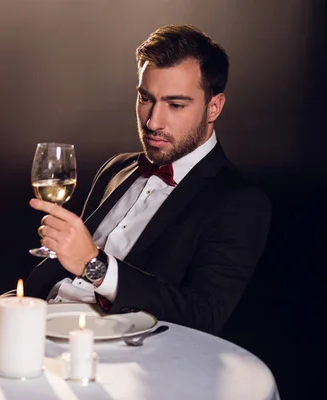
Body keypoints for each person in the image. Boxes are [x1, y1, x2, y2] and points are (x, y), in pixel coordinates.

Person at [25, 24, 271, 335]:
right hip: (35, 320)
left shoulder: (239, 201)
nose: (153, 121)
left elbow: (203, 315)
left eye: (176, 105)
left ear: (214, 107)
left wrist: (93, 265)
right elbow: (60, 273)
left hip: (117, 355)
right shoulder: (117, 168)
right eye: (145, 99)